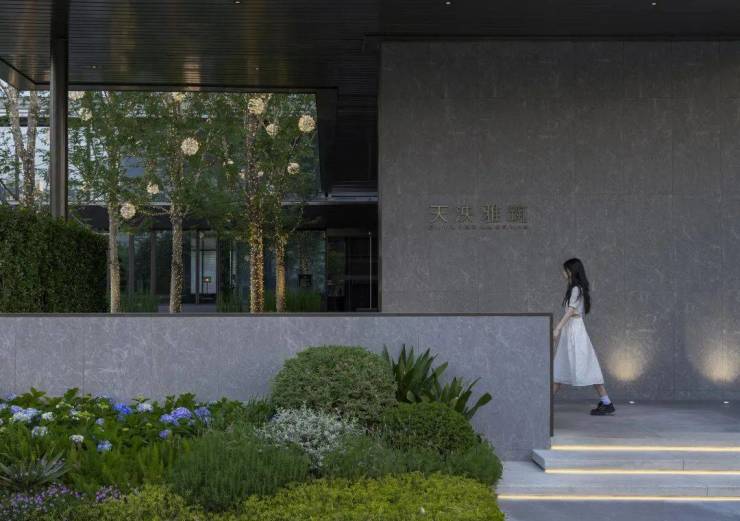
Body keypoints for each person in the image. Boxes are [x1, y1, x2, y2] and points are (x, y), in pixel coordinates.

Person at [552, 258, 614, 416]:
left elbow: (570, 311)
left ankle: (607, 402)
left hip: (575, 331)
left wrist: (558, 328)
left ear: (571, 271)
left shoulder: (575, 289)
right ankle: (606, 402)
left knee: (583, 364)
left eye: (565, 270)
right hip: (572, 330)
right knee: (562, 365)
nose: (562, 272)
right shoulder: (574, 289)